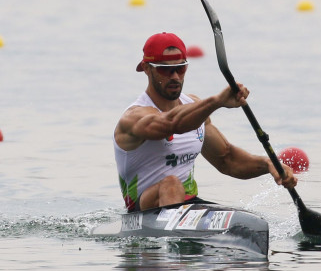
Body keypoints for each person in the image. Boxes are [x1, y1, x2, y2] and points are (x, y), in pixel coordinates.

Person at [114, 32, 297, 212]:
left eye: (181, 68)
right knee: (171, 184)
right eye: (165, 69)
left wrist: (269, 164)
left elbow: (228, 160)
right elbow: (172, 124)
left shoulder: (195, 106)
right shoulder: (134, 117)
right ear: (147, 68)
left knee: (247, 222)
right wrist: (217, 101)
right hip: (143, 211)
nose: (175, 76)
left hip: (187, 205)